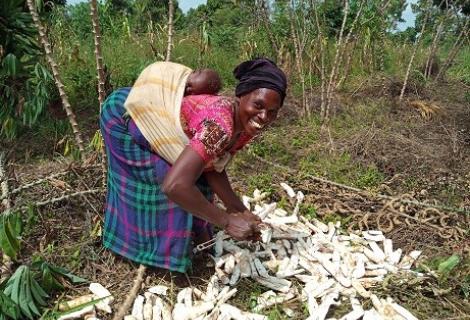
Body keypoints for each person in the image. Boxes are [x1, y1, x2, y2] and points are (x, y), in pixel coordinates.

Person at [99, 58, 287, 273]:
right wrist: (226, 221)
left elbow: (213, 167)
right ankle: (143, 251)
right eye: (258, 105)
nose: (264, 117)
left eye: (272, 111)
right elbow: (174, 186)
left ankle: (193, 239)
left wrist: (237, 208)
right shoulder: (220, 126)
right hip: (125, 114)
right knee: (165, 178)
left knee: (196, 177)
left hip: (158, 119)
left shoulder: (244, 127)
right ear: (241, 96)